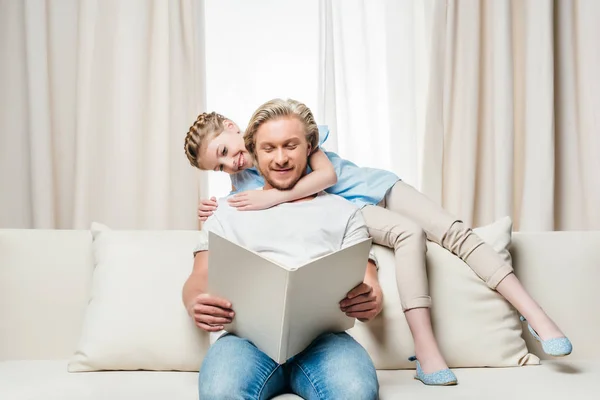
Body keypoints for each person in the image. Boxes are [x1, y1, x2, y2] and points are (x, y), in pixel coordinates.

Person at [184, 98, 573, 386]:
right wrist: (218, 208)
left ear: (234, 128)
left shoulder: (282, 134)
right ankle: (426, 347)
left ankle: (534, 313)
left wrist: (276, 196)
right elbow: (258, 217)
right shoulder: (244, 183)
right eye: (216, 166)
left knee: (453, 231)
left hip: (367, 188)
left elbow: (328, 177)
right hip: (344, 209)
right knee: (410, 233)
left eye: (223, 152)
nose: (228, 164)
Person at [182, 99, 381, 399]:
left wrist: (372, 299)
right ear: (254, 151)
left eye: (290, 146)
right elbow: (199, 277)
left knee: (356, 392)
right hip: (245, 342)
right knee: (221, 391)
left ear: (309, 147)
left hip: (325, 342)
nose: (281, 159)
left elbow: (369, 280)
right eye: (269, 148)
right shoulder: (226, 211)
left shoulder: (346, 213)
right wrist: (195, 300)